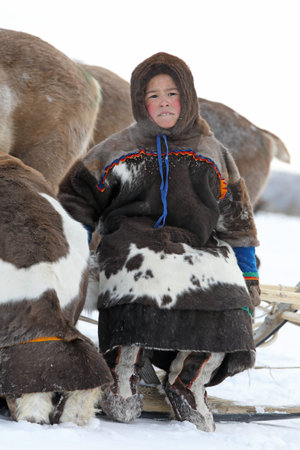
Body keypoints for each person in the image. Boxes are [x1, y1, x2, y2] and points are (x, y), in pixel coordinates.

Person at [58, 52, 260, 432]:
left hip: (196, 246)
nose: (164, 102)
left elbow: (237, 218)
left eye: (172, 93)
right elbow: (77, 198)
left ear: (188, 97)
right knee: (137, 279)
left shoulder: (211, 152)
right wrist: (76, 249)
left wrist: (247, 271)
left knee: (232, 299)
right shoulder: (119, 148)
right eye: (153, 95)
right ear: (139, 101)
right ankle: (123, 371)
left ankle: (188, 381)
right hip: (131, 241)